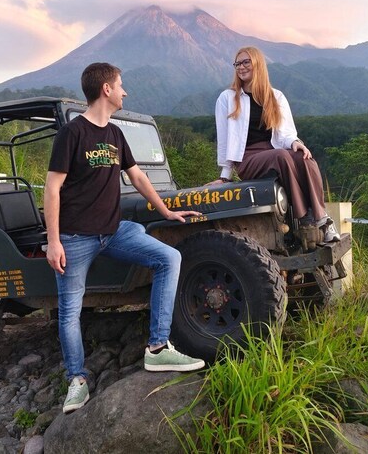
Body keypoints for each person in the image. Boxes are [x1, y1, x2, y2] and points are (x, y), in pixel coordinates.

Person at [45, 62, 205, 414]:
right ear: (106, 89)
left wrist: (166, 211)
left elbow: (138, 177)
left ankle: (158, 348)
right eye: (120, 85)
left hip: (113, 231)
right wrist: (54, 241)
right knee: (69, 311)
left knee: (169, 257)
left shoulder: (116, 134)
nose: (125, 91)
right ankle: (77, 379)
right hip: (75, 238)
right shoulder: (72, 134)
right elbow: (52, 188)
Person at [210, 46, 340, 246]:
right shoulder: (227, 98)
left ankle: (322, 219)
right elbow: (224, 139)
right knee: (281, 156)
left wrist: (296, 143)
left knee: (304, 158)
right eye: (237, 64)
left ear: (258, 64)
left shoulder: (275, 96)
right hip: (247, 158)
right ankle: (305, 219)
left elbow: (286, 132)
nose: (241, 67)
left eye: (246, 62)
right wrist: (225, 175)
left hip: (273, 150)